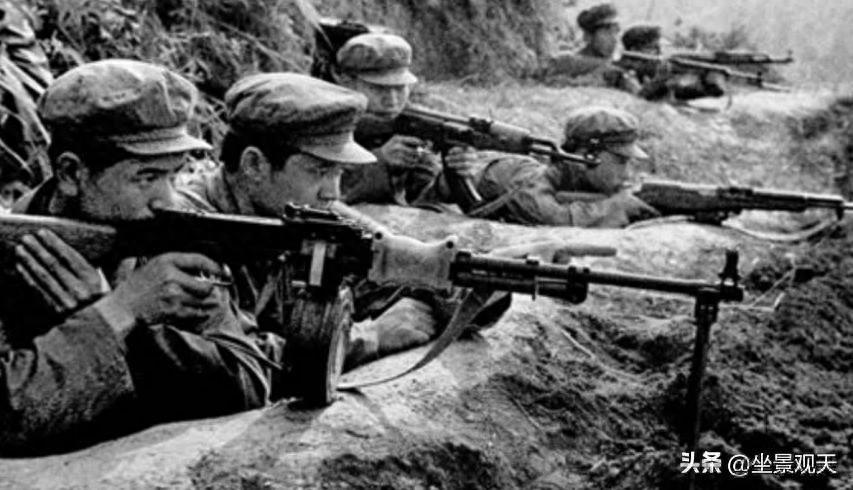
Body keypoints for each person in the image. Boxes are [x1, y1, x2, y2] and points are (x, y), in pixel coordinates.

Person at [0, 59, 273, 455]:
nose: (167, 198)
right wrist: (117, 311)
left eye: (173, 174)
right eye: (146, 177)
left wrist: (129, 327)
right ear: (71, 173)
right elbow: (9, 415)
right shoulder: (9, 251)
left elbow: (248, 385)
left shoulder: (171, 234)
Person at [178, 72, 510, 375]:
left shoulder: (303, 213)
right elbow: (239, 366)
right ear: (254, 165)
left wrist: (463, 285)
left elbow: (397, 274)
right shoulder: (189, 233)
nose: (333, 192)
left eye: (338, 172)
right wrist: (369, 338)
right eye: (320, 171)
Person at [327, 32, 478, 209]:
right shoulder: (324, 123)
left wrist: (448, 180)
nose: (392, 100)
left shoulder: (408, 125)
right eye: (379, 89)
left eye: (400, 88)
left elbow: (421, 196)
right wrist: (381, 161)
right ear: (346, 82)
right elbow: (316, 194)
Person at [472, 106, 659, 227]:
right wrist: (615, 207)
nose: (628, 173)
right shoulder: (526, 176)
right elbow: (550, 218)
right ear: (587, 156)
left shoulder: (579, 184)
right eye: (621, 161)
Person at [540, 3, 640, 93]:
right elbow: (552, 82)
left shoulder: (616, 66)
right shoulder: (567, 61)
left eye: (616, 32)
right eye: (607, 32)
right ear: (588, 36)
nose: (614, 39)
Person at [621, 25, 726, 102]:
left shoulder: (651, 72)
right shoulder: (624, 72)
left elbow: (681, 93)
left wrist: (709, 85)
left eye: (660, 48)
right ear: (634, 50)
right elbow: (636, 99)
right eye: (653, 48)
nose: (659, 52)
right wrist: (659, 80)